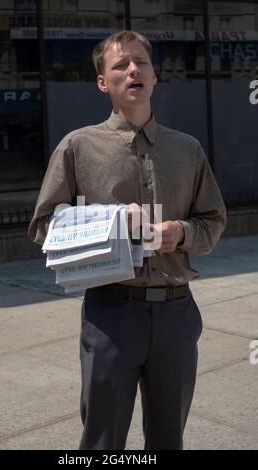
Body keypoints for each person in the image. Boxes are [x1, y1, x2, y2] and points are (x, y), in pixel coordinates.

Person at [28, 30, 226, 450]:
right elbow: (45, 225)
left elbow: (213, 222)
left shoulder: (187, 149)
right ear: (103, 82)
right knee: (102, 441)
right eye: (121, 65)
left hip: (176, 313)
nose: (133, 69)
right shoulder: (78, 147)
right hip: (111, 315)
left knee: (168, 438)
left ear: (155, 77)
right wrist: (110, 222)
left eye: (142, 62)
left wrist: (181, 232)